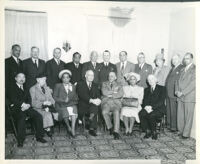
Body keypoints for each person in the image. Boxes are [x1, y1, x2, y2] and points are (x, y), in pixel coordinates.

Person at [9, 73, 46, 147]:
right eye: (19, 77)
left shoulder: (26, 87)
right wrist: (23, 105)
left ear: (25, 79)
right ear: (15, 78)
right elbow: (13, 99)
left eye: (23, 77)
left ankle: (39, 137)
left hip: (27, 107)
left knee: (38, 116)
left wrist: (28, 105)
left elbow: (29, 99)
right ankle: (20, 140)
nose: (22, 79)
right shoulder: (11, 88)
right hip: (17, 109)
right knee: (21, 118)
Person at [175, 53, 195, 139]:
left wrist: (182, 92)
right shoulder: (182, 69)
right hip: (180, 95)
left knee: (188, 116)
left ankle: (186, 134)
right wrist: (176, 91)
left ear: (191, 59)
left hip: (189, 96)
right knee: (180, 115)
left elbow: (193, 84)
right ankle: (181, 131)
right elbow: (177, 81)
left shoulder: (195, 69)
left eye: (188, 58)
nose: (186, 60)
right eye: (185, 58)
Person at [139, 74, 166, 140]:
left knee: (151, 115)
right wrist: (146, 107)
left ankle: (154, 132)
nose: (150, 81)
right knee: (141, 113)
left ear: (156, 80)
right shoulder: (146, 90)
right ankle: (147, 131)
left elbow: (161, 101)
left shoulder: (162, 88)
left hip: (158, 109)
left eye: (152, 79)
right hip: (148, 108)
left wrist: (152, 107)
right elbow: (144, 101)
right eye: (149, 80)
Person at [53, 70, 78, 138]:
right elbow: (54, 97)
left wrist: (71, 90)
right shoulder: (58, 86)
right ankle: (68, 127)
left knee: (74, 109)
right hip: (60, 104)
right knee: (64, 110)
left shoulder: (73, 86)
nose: (65, 79)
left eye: (67, 77)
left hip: (70, 103)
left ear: (69, 79)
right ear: (61, 79)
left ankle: (72, 129)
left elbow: (76, 97)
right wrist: (63, 100)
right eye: (64, 77)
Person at [77, 70, 101, 136]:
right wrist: (92, 100)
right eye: (89, 75)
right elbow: (82, 95)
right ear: (85, 76)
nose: (91, 77)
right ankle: (90, 124)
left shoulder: (95, 85)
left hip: (92, 105)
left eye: (92, 75)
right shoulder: (80, 84)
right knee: (93, 107)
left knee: (95, 107)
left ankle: (91, 126)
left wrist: (99, 100)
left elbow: (98, 95)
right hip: (83, 104)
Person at [101, 71, 123, 139]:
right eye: (109, 76)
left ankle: (116, 132)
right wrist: (114, 92)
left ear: (115, 77)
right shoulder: (104, 83)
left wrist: (110, 94)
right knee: (104, 112)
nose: (110, 77)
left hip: (116, 103)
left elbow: (120, 94)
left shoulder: (119, 84)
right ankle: (110, 127)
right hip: (106, 103)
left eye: (112, 76)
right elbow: (104, 92)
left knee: (116, 112)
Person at [166, 54, 184, 132]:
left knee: (174, 110)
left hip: (174, 93)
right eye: (173, 59)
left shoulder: (181, 68)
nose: (174, 60)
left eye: (176, 59)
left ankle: (174, 127)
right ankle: (169, 125)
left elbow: (180, 81)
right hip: (169, 92)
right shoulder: (172, 68)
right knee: (169, 110)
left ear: (179, 60)